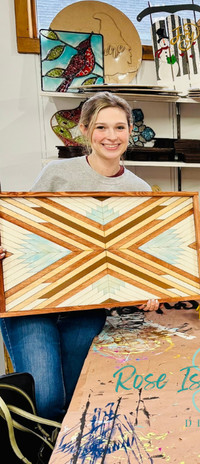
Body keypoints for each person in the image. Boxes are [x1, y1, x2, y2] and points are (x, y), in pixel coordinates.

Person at [0, 92, 159, 422]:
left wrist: (150, 286)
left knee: (76, 398)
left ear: (131, 130)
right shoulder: (57, 173)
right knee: (45, 400)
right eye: (101, 127)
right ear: (85, 130)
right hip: (34, 302)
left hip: (87, 307)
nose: (111, 136)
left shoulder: (139, 189)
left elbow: (137, 253)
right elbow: (23, 227)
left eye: (119, 127)